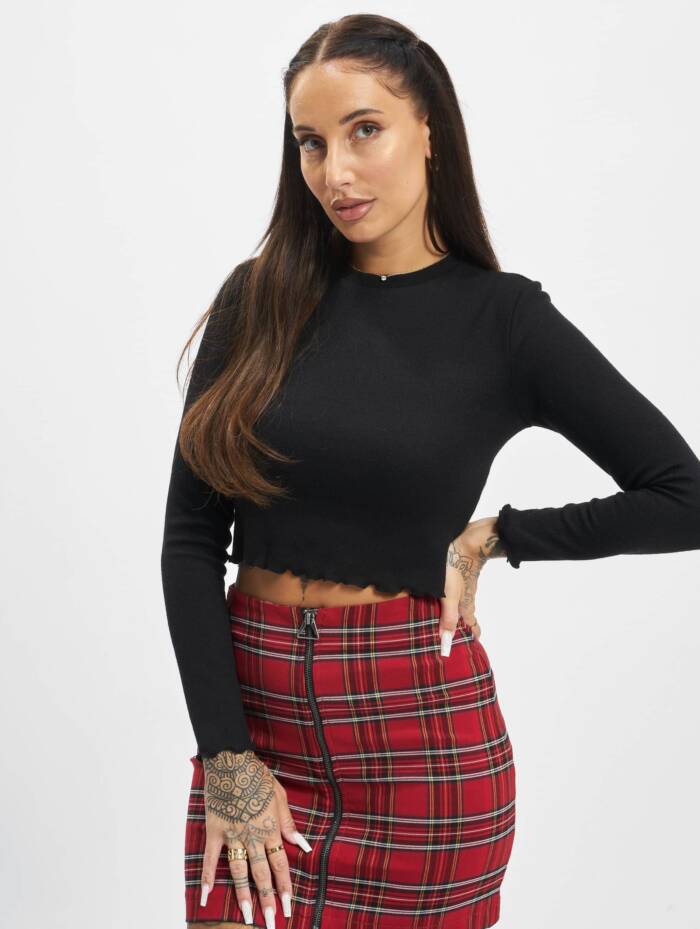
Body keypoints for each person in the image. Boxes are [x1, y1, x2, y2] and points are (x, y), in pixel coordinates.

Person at [160, 13, 700, 929]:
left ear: (429, 132)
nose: (335, 171)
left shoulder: (503, 321)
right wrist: (228, 758)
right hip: (252, 737)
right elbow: (189, 540)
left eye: (364, 130)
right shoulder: (257, 301)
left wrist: (501, 535)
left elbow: (684, 496)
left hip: (421, 752)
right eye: (311, 142)